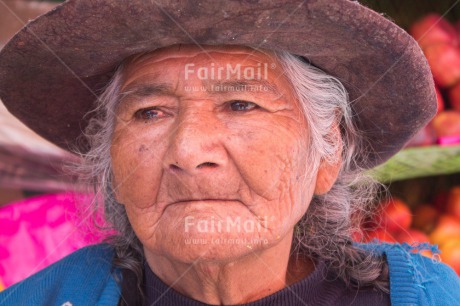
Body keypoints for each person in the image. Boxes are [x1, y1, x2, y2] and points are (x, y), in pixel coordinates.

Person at [0, 1, 459, 305]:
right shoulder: (43, 297)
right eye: (150, 112)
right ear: (111, 161)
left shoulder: (424, 295)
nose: (187, 150)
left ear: (328, 152)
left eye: (241, 105)